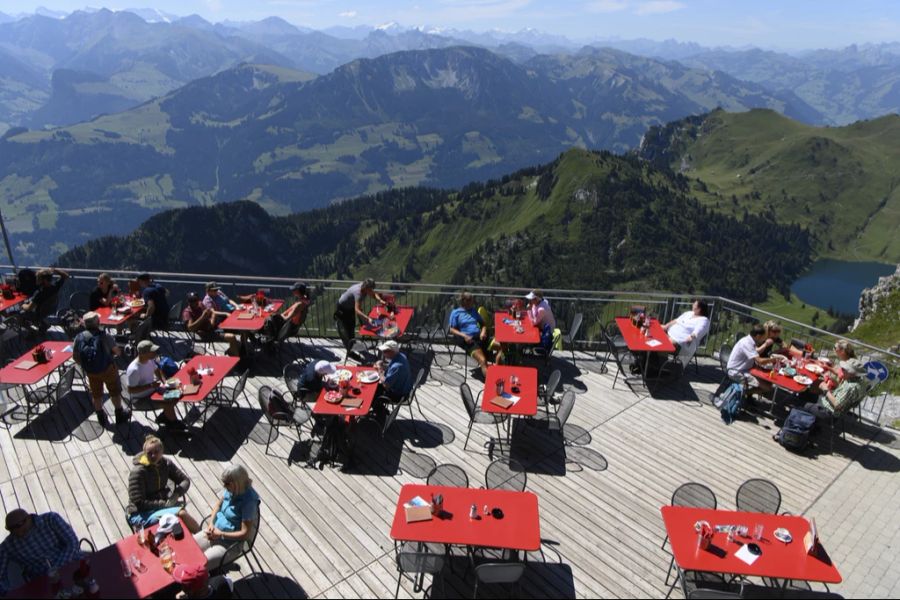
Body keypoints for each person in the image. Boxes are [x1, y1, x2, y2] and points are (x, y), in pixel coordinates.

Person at [127, 435, 200, 533]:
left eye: (156, 452)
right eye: (149, 453)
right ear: (144, 453)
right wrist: (163, 505)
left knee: (177, 519)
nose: (153, 456)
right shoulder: (138, 472)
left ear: (162, 451)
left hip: (162, 505)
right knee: (180, 514)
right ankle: (203, 537)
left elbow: (185, 480)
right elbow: (139, 503)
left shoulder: (166, 464)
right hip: (141, 513)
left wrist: (176, 494)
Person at [193, 464, 259, 572]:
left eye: (227, 484)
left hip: (230, 544)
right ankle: (221, 565)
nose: (224, 486)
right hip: (214, 532)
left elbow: (245, 533)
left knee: (201, 565)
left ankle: (216, 572)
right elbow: (218, 505)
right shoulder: (231, 489)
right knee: (189, 548)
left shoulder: (249, 502)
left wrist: (221, 534)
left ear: (237, 483)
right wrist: (211, 524)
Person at [0, 509, 80, 596]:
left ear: (29, 518)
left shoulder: (51, 519)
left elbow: (72, 542)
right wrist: (8, 592)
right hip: (43, 582)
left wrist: (57, 568)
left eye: (19, 526)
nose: (18, 532)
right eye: (11, 529)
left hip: (71, 564)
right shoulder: (8, 546)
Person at [73, 311, 130, 427]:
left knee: (96, 394)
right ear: (97, 322)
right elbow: (117, 352)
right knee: (114, 391)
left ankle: (101, 417)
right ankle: (119, 414)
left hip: (91, 372)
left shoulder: (79, 338)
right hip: (108, 369)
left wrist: (86, 365)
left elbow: (75, 357)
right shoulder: (105, 336)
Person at [126, 340, 181, 428]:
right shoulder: (134, 370)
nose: (155, 352)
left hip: (153, 391)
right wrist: (151, 386)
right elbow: (131, 390)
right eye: (152, 351)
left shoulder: (149, 360)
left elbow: (157, 370)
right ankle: (174, 424)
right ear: (143, 354)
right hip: (140, 399)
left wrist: (164, 381)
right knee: (168, 403)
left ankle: (166, 416)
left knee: (177, 394)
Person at [801, 358, 867, 427]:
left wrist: (825, 390)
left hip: (828, 412)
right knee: (806, 393)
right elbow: (843, 396)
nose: (842, 370)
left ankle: (802, 426)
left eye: (844, 369)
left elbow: (838, 405)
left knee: (799, 402)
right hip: (828, 405)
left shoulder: (851, 387)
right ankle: (810, 424)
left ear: (852, 373)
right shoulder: (858, 382)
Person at [334, 278, 385, 355]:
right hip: (342, 309)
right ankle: (350, 351)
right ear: (366, 288)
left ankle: (352, 344)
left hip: (349, 307)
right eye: (370, 289)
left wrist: (380, 300)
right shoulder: (358, 293)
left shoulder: (364, 286)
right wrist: (368, 318)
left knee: (352, 326)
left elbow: (373, 294)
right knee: (347, 330)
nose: (371, 291)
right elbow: (357, 310)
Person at [448, 291, 489, 378]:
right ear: (464, 301)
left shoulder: (473, 311)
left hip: (480, 336)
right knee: (483, 360)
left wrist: (483, 331)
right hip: (469, 339)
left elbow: (483, 324)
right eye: (471, 300)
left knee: (501, 346)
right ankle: (490, 383)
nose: (473, 302)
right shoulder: (456, 313)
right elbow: (452, 329)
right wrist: (464, 336)